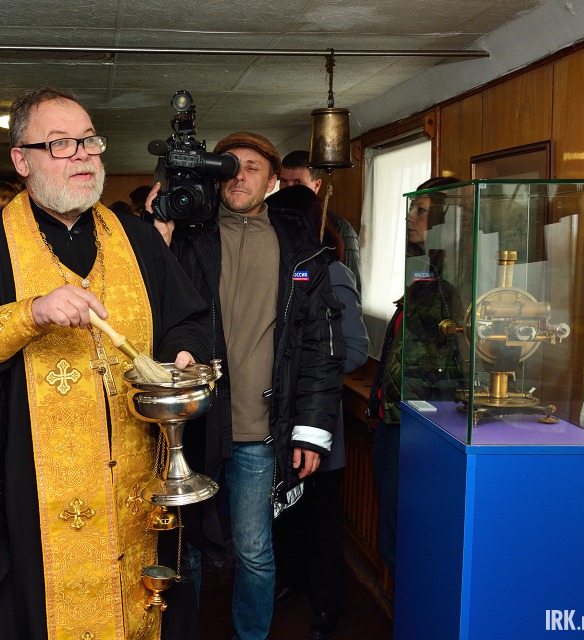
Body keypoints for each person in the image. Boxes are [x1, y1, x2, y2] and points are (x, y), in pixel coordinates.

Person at [0, 86, 213, 640]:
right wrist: (30, 315)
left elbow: (187, 318)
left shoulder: (139, 240)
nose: (82, 154)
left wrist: (179, 355)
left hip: (133, 478)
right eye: (60, 143)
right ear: (21, 161)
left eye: (90, 141)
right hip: (30, 491)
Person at [150, 132, 345, 640]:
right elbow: (145, 313)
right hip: (192, 427)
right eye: (229, 167)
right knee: (184, 549)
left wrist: (310, 432)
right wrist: (158, 238)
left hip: (260, 433)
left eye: (252, 168)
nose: (239, 176)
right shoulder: (188, 238)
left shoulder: (302, 251)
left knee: (255, 552)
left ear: (273, 180)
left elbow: (320, 351)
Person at [269, 185, 369, 640]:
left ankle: (327, 606)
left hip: (319, 422)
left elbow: (355, 351)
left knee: (323, 521)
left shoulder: (332, 272)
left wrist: (303, 368)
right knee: (285, 516)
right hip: (276, 423)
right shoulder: (277, 269)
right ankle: (292, 581)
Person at [368, 176, 463, 575]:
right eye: (412, 209)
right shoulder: (423, 273)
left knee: (402, 535)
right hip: (394, 416)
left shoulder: (456, 285)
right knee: (390, 530)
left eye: (422, 212)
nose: (411, 218)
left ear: (446, 220)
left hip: (425, 422)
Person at [267, 150, 362, 291]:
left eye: (298, 182)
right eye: (284, 181)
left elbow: (349, 287)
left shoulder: (339, 228)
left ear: (316, 185)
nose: (289, 189)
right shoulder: (269, 220)